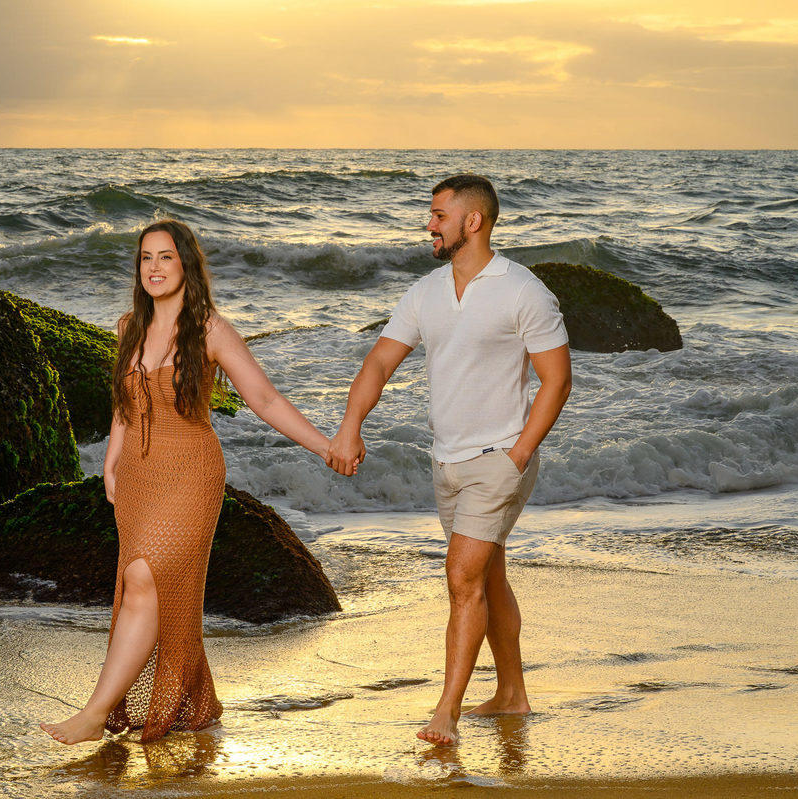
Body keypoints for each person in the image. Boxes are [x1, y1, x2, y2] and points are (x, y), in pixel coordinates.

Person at [41, 218, 332, 745]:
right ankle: (192, 699)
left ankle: (93, 713)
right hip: (137, 476)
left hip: (191, 473)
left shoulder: (210, 330)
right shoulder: (129, 326)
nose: (154, 267)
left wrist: (325, 446)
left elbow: (264, 399)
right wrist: (111, 461)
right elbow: (124, 406)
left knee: (147, 576)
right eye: (146, 257)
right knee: (144, 585)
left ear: (186, 264)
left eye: (165, 257)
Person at [327, 175, 572, 746]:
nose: (429, 225)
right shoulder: (427, 292)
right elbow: (378, 363)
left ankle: (447, 713)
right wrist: (350, 425)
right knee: (487, 576)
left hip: (500, 458)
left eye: (439, 215)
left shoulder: (522, 290)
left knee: (461, 577)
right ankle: (511, 695)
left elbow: (557, 380)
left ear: (473, 221)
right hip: (447, 461)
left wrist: (518, 454)